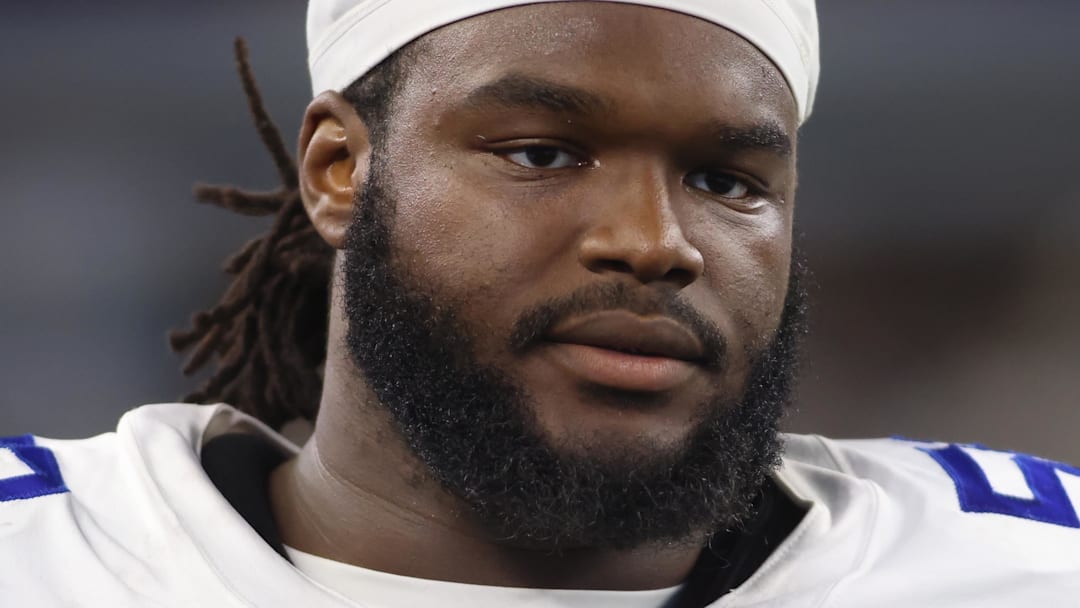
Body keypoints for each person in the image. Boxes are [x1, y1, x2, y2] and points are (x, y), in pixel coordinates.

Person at [1, 1, 1078, 606]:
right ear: (339, 169)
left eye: (726, 180)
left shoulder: (1022, 568)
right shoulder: (44, 557)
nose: (654, 242)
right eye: (543, 152)